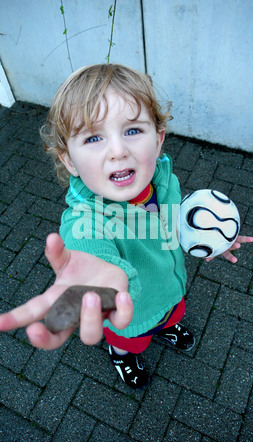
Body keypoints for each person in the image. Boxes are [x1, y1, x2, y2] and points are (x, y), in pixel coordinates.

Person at [0, 64, 252, 390]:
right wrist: (102, 274)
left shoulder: (165, 181)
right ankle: (121, 355)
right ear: (70, 161)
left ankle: (166, 326)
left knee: (172, 315)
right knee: (131, 340)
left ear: (158, 141)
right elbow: (86, 245)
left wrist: (208, 237)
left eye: (132, 130)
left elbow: (172, 225)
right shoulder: (89, 222)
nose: (118, 151)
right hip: (130, 317)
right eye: (93, 137)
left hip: (171, 291)